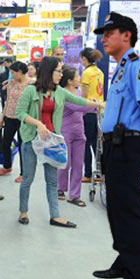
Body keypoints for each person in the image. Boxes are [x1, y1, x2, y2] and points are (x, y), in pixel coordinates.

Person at [92, 12, 140, 279]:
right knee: (116, 208)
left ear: (127, 35)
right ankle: (124, 261)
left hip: (128, 144)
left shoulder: (137, 66)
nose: (104, 39)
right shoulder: (120, 67)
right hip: (114, 146)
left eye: (110, 33)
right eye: (103, 34)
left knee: (129, 211)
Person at [15, 56, 104, 228]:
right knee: (28, 178)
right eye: (59, 71)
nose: (61, 74)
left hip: (51, 141)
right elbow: (20, 113)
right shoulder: (30, 91)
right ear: (49, 71)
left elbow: (79, 101)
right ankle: (23, 211)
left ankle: (55, 216)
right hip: (32, 139)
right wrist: (38, 123)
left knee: (52, 180)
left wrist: (99, 104)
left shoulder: (59, 92)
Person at [57, 66, 90, 207]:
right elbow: (79, 107)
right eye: (77, 76)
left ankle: (75, 195)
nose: (79, 79)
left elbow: (83, 110)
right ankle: (60, 188)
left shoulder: (78, 92)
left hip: (79, 131)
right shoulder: (63, 93)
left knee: (78, 164)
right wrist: (97, 104)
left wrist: (91, 104)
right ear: (70, 81)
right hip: (66, 131)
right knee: (65, 162)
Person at [0, 61, 28, 181]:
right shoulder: (11, 83)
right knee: (6, 143)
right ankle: (7, 166)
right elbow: (8, 101)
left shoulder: (31, 84)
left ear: (20, 72)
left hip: (23, 119)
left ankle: (24, 173)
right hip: (10, 117)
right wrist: (2, 118)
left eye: (13, 73)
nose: (12, 75)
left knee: (22, 146)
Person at [80, 47, 104, 183]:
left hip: (88, 111)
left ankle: (88, 174)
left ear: (84, 58)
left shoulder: (86, 73)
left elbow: (84, 95)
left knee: (85, 143)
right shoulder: (99, 72)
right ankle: (100, 173)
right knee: (97, 144)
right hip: (99, 111)